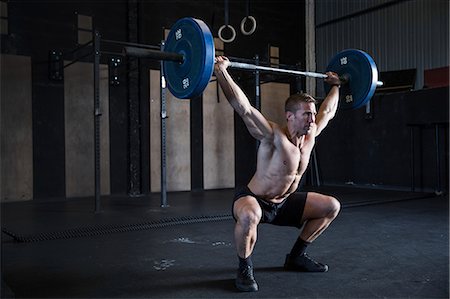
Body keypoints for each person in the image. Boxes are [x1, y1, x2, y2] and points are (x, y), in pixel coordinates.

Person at [214, 56, 342, 292]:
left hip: (284, 202)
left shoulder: (311, 135)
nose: (312, 119)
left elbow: (329, 111)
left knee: (331, 206)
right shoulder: (272, 135)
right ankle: (244, 267)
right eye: (306, 114)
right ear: (289, 116)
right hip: (255, 199)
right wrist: (221, 72)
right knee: (250, 215)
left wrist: (336, 85)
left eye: (312, 114)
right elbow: (242, 107)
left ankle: (296, 257)